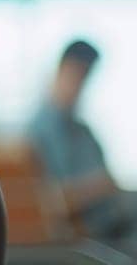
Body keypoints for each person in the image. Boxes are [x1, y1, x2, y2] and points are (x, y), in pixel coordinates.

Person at [28, 40, 137, 253]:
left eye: (86, 77)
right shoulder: (38, 132)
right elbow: (47, 201)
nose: (81, 85)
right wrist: (98, 186)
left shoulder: (83, 131)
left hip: (115, 221)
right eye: (78, 75)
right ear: (62, 69)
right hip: (89, 237)